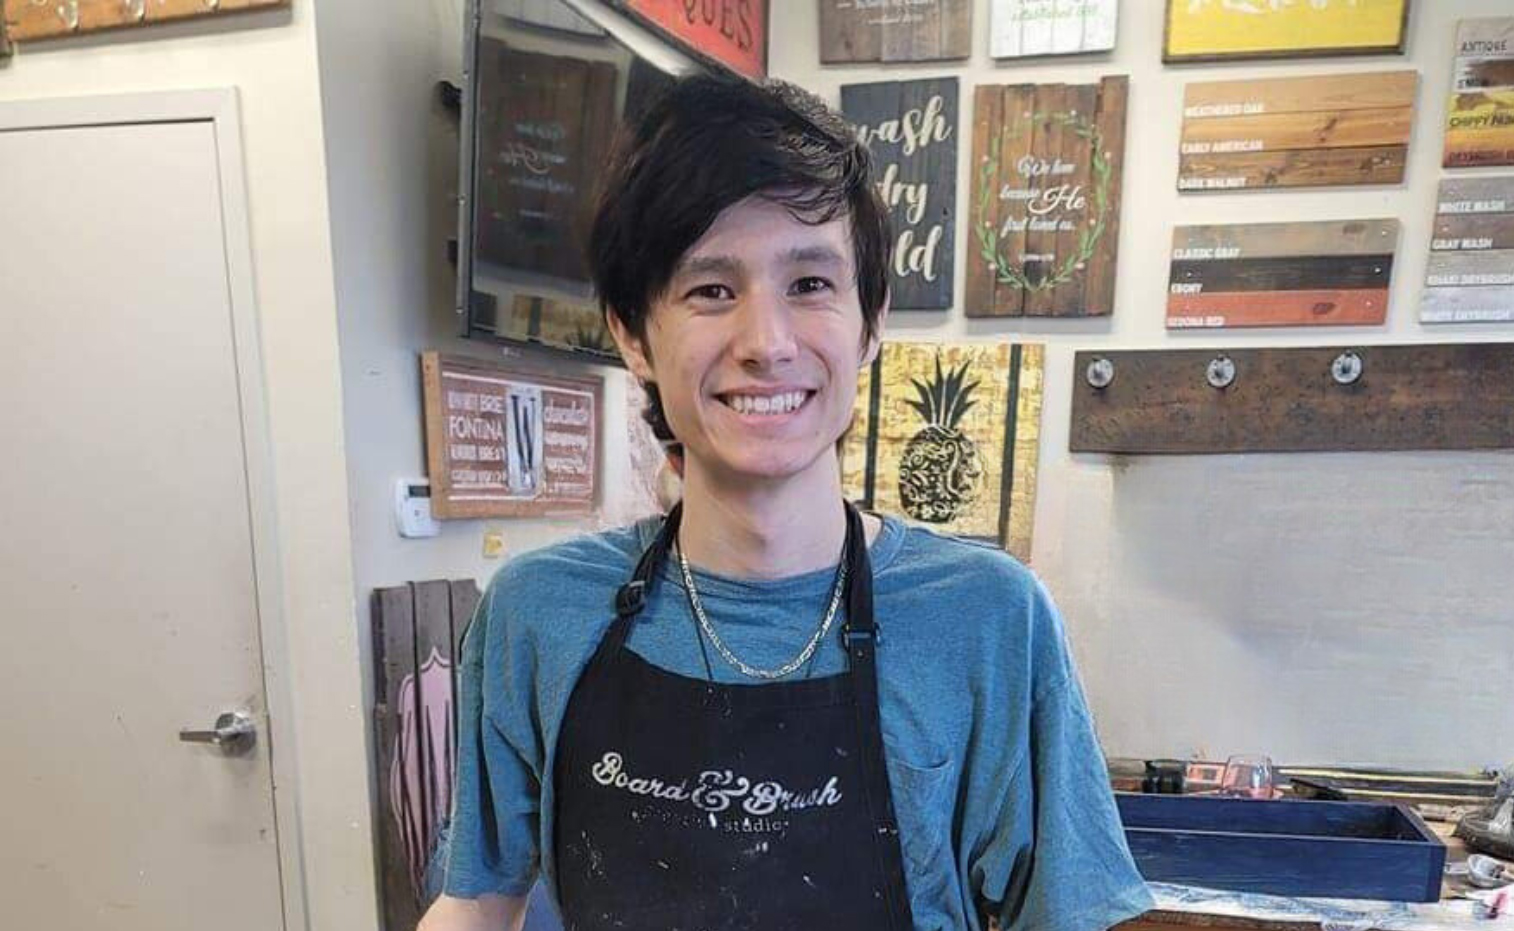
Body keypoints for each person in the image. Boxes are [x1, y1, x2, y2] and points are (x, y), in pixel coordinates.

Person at [418, 74, 1151, 931]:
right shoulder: (537, 612)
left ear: (871, 321)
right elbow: (476, 905)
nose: (766, 343)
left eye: (809, 284)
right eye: (711, 290)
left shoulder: (988, 620)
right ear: (631, 333)